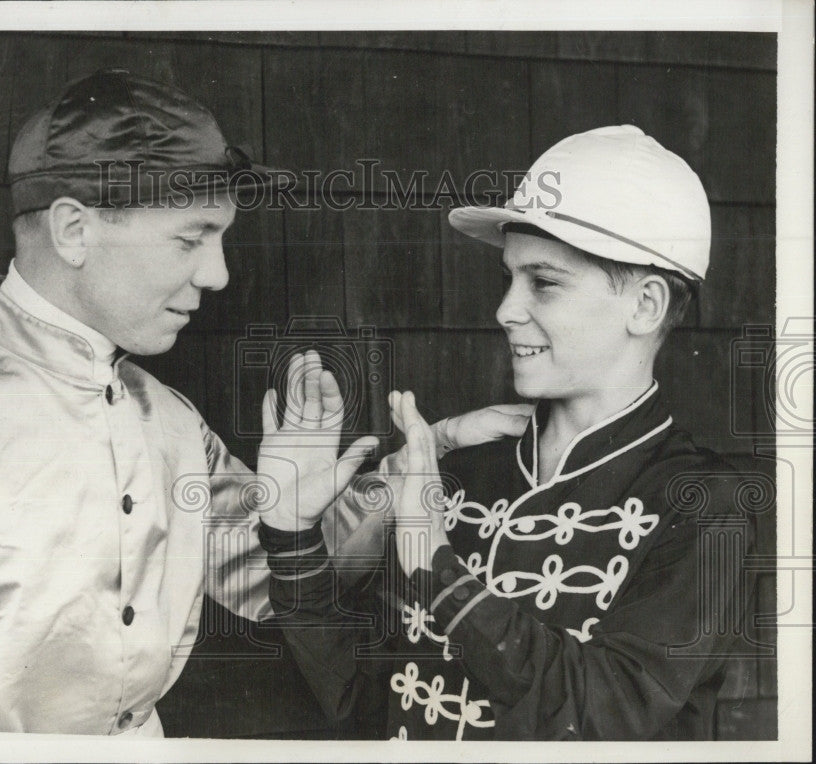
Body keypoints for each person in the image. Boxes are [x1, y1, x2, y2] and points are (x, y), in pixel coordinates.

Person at [0, 69, 387, 736]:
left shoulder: (173, 422)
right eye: (192, 237)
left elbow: (280, 589)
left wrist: (304, 517)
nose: (217, 274)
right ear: (74, 231)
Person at [257, 125, 754, 740]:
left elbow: (602, 715)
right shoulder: (461, 472)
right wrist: (291, 533)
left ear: (646, 305)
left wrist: (435, 564)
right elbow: (362, 703)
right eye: (509, 278)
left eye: (543, 282)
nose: (505, 310)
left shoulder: (706, 508)